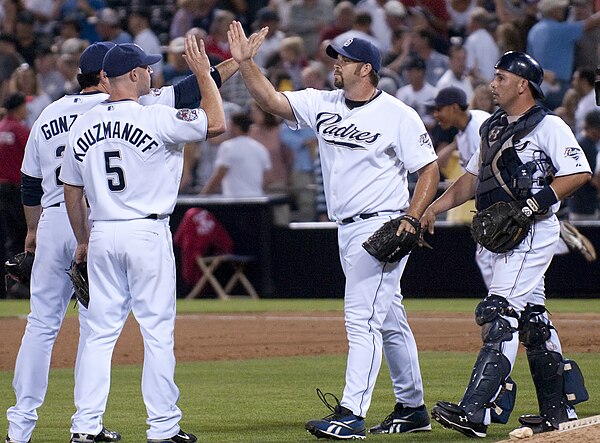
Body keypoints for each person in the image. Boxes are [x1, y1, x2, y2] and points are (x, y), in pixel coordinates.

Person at [228, 22, 440, 439]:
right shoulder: (323, 103)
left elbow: (429, 169)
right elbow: (271, 100)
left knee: (361, 320)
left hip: (383, 223)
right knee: (390, 321)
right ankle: (413, 408)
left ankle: (351, 413)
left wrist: (412, 217)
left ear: (366, 68)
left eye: (343, 59)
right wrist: (246, 63)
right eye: (336, 58)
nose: (336, 65)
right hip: (347, 228)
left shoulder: (398, 114)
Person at [59, 39, 225, 443]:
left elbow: (71, 188)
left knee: (98, 335)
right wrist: (205, 74)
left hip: (102, 232)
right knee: (156, 331)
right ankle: (163, 427)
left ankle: (85, 427)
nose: (151, 72)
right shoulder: (154, 116)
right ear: (132, 75)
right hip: (146, 232)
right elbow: (217, 122)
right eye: (146, 69)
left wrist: (82, 240)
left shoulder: (83, 124)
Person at [423, 51, 592, 438]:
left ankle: (476, 411)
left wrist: (534, 204)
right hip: (500, 234)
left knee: (498, 312)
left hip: (532, 231)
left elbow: (579, 171)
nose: (492, 84)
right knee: (533, 319)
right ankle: (558, 411)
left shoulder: (548, 124)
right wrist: (432, 207)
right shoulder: (494, 127)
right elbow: (470, 180)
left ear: (522, 85)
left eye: (500, 78)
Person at [201, 112, 272, 197]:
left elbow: (219, 175)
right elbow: (267, 178)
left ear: (236, 128)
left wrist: (202, 196)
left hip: (235, 201)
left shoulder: (228, 147)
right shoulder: (261, 148)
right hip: (257, 199)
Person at [0, 92, 29, 300]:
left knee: (10, 240)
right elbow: (33, 157)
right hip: (17, 191)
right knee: (24, 236)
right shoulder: (19, 130)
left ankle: (11, 284)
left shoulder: (1, 128)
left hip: (2, 190)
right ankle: (24, 284)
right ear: (18, 108)